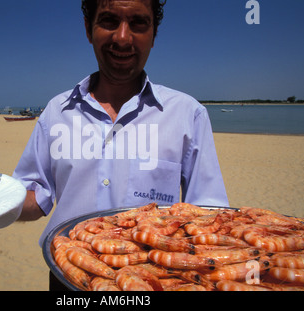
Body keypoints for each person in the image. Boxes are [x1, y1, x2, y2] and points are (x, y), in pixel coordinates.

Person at [13, 0, 229, 245]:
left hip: (151, 278)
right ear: (88, 29)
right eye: (109, 21)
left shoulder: (188, 115)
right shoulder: (57, 112)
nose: (123, 38)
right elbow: (35, 196)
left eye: (138, 23)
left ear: (154, 34)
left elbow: (210, 215)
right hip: (65, 272)